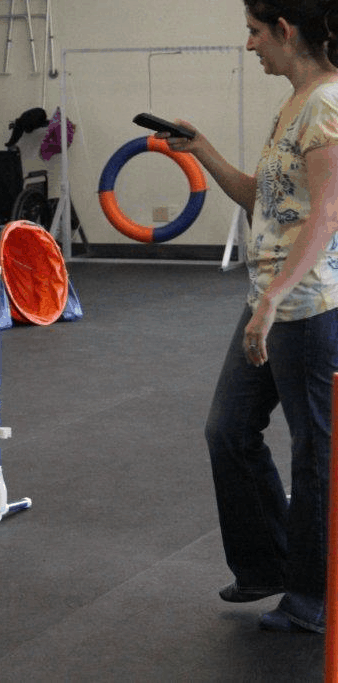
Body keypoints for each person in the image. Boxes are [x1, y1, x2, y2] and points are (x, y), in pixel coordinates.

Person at [163, 0, 338, 633]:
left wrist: (272, 300)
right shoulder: (295, 103)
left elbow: (325, 215)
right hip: (271, 298)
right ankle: (269, 566)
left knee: (316, 451)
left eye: (255, 32)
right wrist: (202, 149)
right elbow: (260, 199)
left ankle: (316, 598)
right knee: (229, 430)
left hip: (308, 305)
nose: (250, 46)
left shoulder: (326, 104)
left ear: (286, 31)